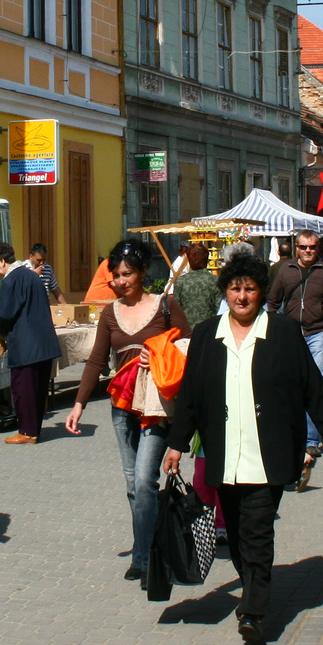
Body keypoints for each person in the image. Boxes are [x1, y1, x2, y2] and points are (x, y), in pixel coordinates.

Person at [162, 251, 323, 645]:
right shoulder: (207, 335)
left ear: (261, 292)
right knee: (239, 535)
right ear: (225, 292)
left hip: (269, 454)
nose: (242, 296)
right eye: (235, 288)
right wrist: (177, 444)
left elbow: (310, 386)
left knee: (258, 532)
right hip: (225, 454)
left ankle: (253, 611)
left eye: (249, 289)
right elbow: (191, 397)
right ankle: (252, 589)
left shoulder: (281, 332)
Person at [65, 240, 191, 583]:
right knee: (133, 483)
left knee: (145, 479)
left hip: (155, 406)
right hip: (122, 405)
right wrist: (78, 404)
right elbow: (95, 361)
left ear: (142, 272)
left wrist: (163, 355)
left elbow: (190, 343)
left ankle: (144, 557)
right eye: (116, 275)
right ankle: (148, 541)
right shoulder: (110, 313)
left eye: (127, 274)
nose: (120, 281)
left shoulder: (165, 305)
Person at [266, 229, 323, 490]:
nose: (308, 251)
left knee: (316, 385)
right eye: (304, 247)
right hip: (290, 335)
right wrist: (270, 333)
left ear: (318, 248)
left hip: (317, 334)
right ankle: (291, 436)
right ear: (296, 248)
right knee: (289, 388)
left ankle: (311, 439)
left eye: (313, 247)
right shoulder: (285, 270)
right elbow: (272, 303)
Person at [0, 242, 62, 445]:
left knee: (24, 389)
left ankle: (28, 431)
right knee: (38, 390)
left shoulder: (13, 279)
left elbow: (6, 312)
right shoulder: (32, 276)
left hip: (26, 344)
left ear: (2, 261)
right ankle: (33, 429)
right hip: (43, 342)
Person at [171, 242, 222, 323]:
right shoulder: (215, 281)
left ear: (189, 260)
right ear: (206, 259)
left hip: (187, 330)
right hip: (209, 329)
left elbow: (176, 311)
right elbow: (220, 309)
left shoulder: (180, 282)